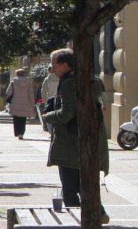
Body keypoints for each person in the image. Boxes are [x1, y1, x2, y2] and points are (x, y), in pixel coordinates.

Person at [41, 48, 109, 208]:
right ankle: (97, 212)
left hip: (71, 144)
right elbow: (103, 106)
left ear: (65, 65)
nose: (52, 68)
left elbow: (66, 113)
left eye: (54, 64)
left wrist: (47, 116)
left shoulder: (69, 83)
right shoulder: (94, 80)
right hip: (92, 141)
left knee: (70, 190)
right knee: (86, 186)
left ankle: (81, 223)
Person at [4, 68, 36, 139]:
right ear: (23, 74)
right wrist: (33, 103)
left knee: (16, 119)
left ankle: (17, 133)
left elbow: (8, 92)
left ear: (17, 74)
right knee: (23, 119)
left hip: (15, 103)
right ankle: (21, 133)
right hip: (25, 103)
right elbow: (31, 93)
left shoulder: (13, 82)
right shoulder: (28, 82)